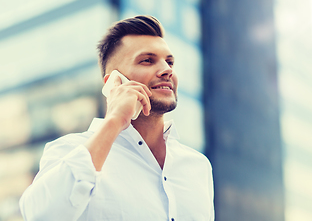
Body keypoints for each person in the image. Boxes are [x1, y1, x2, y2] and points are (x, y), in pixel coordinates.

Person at [19, 15, 214, 221]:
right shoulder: (69, 150)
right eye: (147, 60)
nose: (166, 70)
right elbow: (40, 215)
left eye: (170, 62)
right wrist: (115, 120)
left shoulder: (197, 166)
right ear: (114, 82)